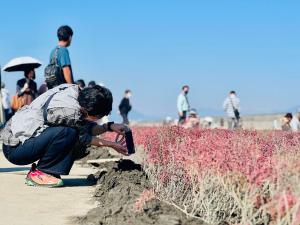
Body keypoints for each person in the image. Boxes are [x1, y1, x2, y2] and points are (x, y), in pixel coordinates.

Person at [0, 84, 130, 187]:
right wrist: (113, 144)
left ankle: (47, 171)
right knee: (69, 133)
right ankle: (41, 173)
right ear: (88, 111)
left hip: (23, 140)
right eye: (98, 117)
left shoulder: (75, 93)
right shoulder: (68, 111)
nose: (98, 120)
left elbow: (85, 126)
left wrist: (109, 127)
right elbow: (83, 137)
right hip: (15, 149)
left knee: (71, 133)